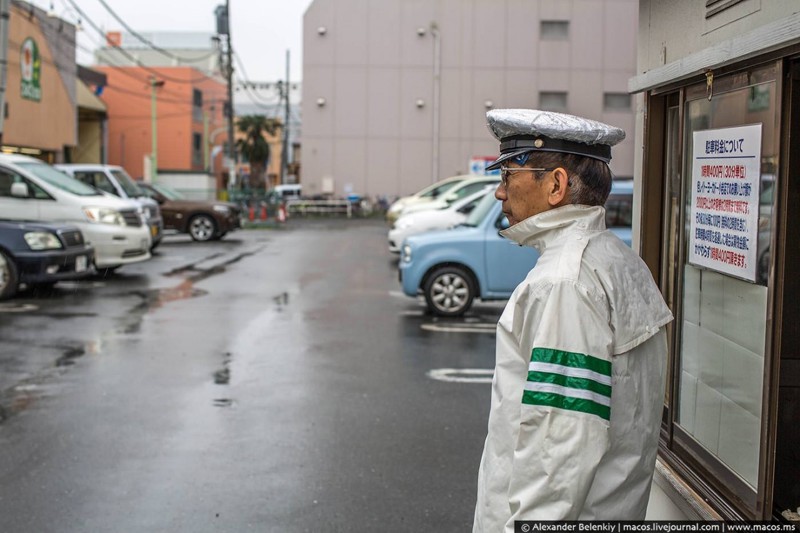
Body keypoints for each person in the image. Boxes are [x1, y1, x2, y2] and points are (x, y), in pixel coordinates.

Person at [473, 109, 674, 530]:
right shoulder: (618, 260)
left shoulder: (563, 283)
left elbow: (559, 449)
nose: (499, 192)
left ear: (556, 185)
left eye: (508, 174)